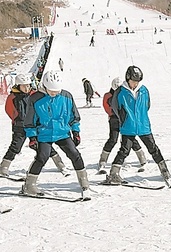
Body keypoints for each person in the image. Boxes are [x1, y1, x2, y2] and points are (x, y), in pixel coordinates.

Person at [21, 70, 90, 198]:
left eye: (57, 91)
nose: (54, 93)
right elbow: (29, 120)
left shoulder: (66, 96)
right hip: (44, 134)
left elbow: (73, 116)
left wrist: (76, 132)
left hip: (62, 132)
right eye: (52, 91)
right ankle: (29, 185)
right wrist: (32, 137)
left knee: (74, 154)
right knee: (42, 157)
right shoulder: (35, 98)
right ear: (45, 87)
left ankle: (84, 182)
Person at [105, 66, 171, 186]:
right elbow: (115, 108)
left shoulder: (144, 90)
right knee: (124, 151)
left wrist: (140, 117)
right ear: (127, 78)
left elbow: (147, 105)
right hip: (128, 126)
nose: (135, 84)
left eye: (137, 81)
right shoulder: (120, 92)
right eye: (133, 81)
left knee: (153, 148)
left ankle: (165, 172)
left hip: (143, 126)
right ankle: (113, 174)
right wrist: (125, 118)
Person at [1, 72, 68, 178]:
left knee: (43, 145)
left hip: (35, 126)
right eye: (24, 86)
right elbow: (9, 110)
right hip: (20, 126)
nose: (27, 88)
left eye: (28, 85)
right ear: (18, 86)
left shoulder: (34, 95)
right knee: (16, 146)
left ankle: (60, 164)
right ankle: (4, 167)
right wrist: (17, 119)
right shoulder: (13, 97)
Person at [98, 77, 147, 173]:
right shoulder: (108, 96)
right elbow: (107, 108)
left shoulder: (125, 94)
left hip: (126, 120)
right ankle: (103, 160)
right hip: (114, 120)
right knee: (113, 139)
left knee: (131, 140)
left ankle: (142, 159)